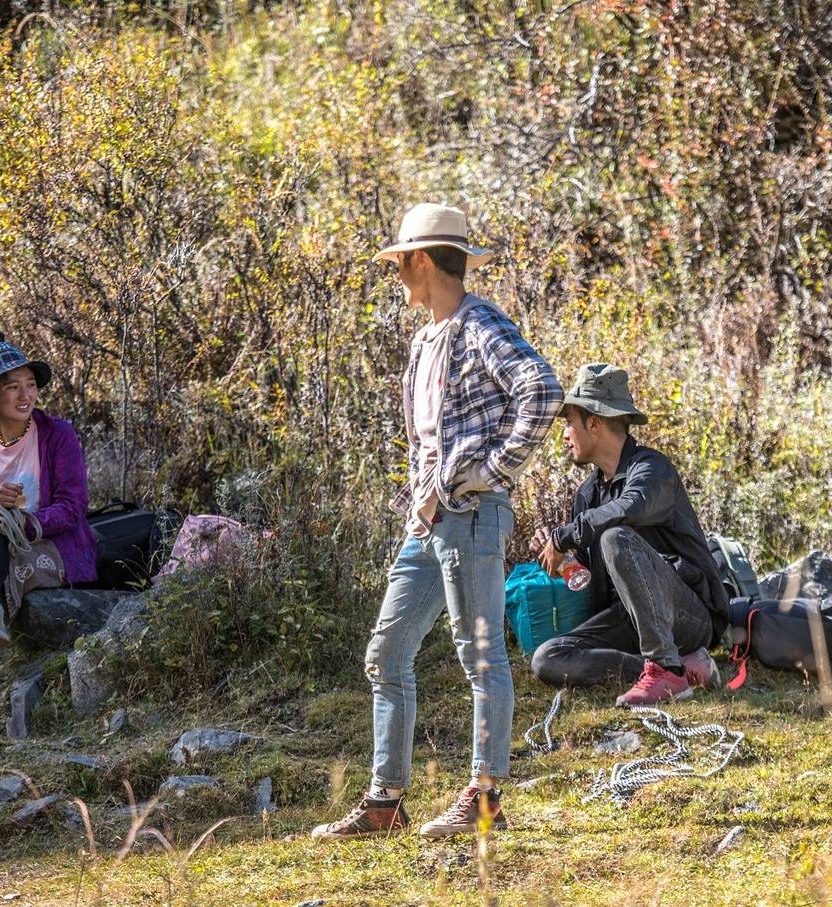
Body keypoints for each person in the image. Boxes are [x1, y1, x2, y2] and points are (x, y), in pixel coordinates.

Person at [311, 203, 563, 840]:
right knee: (386, 652)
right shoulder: (430, 336)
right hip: (428, 520)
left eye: (400, 262)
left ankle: (484, 800)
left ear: (422, 260)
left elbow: (542, 389)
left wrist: (493, 470)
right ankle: (385, 803)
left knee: (481, 657)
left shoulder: (479, 325)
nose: (397, 274)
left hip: (472, 513)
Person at [528, 363, 729, 706]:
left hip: (689, 618)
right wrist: (570, 563)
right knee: (548, 658)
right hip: (631, 620)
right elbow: (599, 590)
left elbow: (630, 508)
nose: (565, 434)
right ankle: (675, 667)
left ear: (595, 422)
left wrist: (566, 536)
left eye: (569, 423)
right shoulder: (588, 495)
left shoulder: (652, 470)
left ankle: (667, 670)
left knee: (614, 537)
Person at [0, 329, 97, 700]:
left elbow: (74, 505)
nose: (25, 395)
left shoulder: (57, 435)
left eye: (30, 385)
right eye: (12, 387)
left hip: (52, 545)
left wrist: (29, 521)